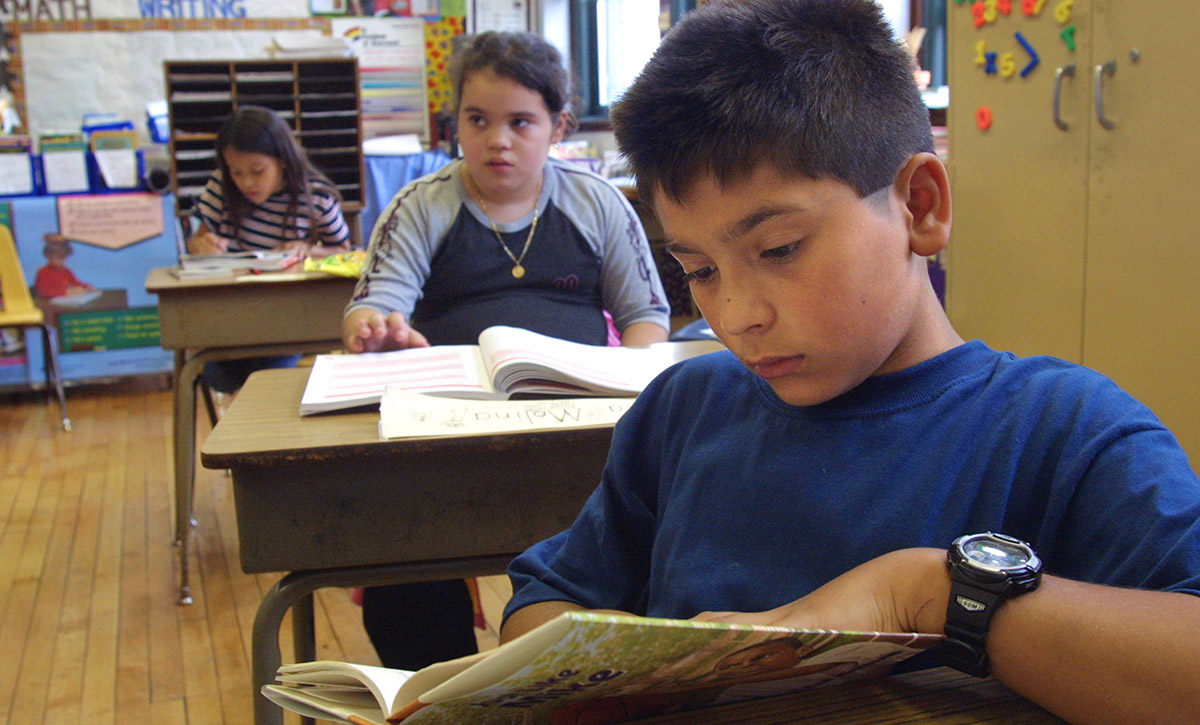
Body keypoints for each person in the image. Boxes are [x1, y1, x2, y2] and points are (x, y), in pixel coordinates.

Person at [499, 1, 1200, 722]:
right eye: (700, 271)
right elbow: (544, 600)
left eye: (779, 249)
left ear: (920, 206)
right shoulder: (685, 409)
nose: (737, 315)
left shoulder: (1066, 431)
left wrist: (931, 593)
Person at [342, 31, 670, 670]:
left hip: (577, 433)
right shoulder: (420, 206)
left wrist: (626, 391)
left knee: (621, 562)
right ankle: (441, 691)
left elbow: (647, 319)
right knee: (403, 582)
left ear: (558, 126)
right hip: (443, 440)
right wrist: (374, 328)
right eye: (478, 120)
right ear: (455, 124)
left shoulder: (597, 203)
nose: (498, 140)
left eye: (521, 121)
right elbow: (375, 300)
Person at [188, 105, 352, 395]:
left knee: (266, 377)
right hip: (234, 317)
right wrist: (202, 246)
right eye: (236, 172)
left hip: (290, 319)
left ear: (283, 161)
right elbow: (198, 241)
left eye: (257, 171)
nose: (246, 182)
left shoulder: (315, 196)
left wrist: (308, 249)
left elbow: (345, 251)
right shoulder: (221, 187)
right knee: (218, 374)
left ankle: (259, 431)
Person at [34, 235, 93, 299]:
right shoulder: (43, 272)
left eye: (64, 258)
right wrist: (67, 292)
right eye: (59, 258)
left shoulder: (66, 271)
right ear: (48, 257)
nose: (63, 262)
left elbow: (75, 282)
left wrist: (86, 287)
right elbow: (45, 292)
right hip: (47, 304)